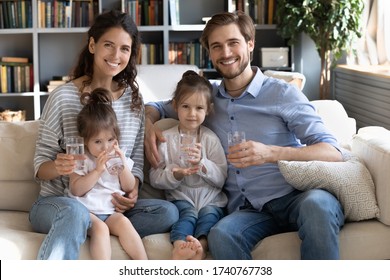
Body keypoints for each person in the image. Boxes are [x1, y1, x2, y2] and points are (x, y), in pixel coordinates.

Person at [144, 11, 345, 260]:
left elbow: (332, 152)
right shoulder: (205, 100)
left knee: (318, 206)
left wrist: (271, 153)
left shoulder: (282, 94)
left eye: (233, 43)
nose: (225, 53)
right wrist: (148, 123)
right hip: (248, 210)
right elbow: (157, 105)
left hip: (296, 197)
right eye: (217, 46)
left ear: (250, 44)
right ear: (210, 53)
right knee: (221, 234)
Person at [30, 10, 178, 260]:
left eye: (124, 49)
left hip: (107, 205)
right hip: (61, 203)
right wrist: (59, 166)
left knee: (168, 213)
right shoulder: (63, 97)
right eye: (108, 45)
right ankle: (82, 229)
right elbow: (39, 167)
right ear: (92, 44)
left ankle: (96, 227)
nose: (116, 55)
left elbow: (135, 164)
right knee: (75, 213)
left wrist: (132, 194)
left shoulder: (133, 101)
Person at [149, 70, 228, 260]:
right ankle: (179, 245)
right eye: (186, 106)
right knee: (187, 216)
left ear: (208, 109)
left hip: (210, 199)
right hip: (181, 197)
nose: (192, 114)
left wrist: (202, 163)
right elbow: (154, 177)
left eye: (199, 108)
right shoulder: (166, 139)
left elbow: (221, 179)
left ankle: (200, 245)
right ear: (175, 106)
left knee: (210, 215)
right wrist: (174, 174)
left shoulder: (209, 139)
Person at [68, 87, 147, 260]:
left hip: (110, 212)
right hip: (85, 211)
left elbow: (128, 186)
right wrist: (97, 170)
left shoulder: (119, 157)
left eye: (110, 140)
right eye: (98, 141)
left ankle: (144, 266)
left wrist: (123, 165)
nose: (105, 147)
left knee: (124, 223)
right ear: (85, 141)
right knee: (101, 229)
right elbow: (76, 190)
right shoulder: (81, 158)